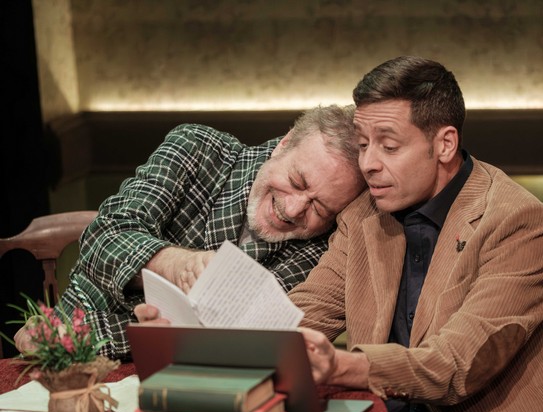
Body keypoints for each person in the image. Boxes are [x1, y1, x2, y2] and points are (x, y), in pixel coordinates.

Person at [290, 57, 543, 412]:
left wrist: (345, 365)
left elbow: (460, 362)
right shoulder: (362, 215)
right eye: (362, 145)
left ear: (444, 144)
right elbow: (308, 310)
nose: (368, 164)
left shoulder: (520, 221)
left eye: (389, 146)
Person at [14, 104, 365, 360]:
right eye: (297, 181)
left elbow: (234, 343)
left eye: (320, 208)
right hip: (65, 359)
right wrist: (176, 264)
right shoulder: (197, 149)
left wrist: (75, 336)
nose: (293, 209)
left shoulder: (323, 248)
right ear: (284, 143)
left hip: (190, 378)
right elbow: (103, 240)